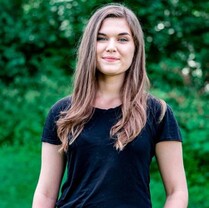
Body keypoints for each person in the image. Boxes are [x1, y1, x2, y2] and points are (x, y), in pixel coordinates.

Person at [32, 3, 188, 208]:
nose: (111, 47)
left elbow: (177, 192)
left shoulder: (157, 113)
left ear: (135, 48)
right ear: (89, 46)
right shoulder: (62, 112)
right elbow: (45, 193)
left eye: (122, 39)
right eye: (101, 38)